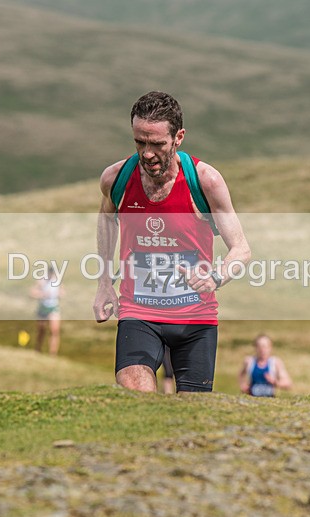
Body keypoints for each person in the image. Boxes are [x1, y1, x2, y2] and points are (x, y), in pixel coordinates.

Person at [93, 91, 251, 393]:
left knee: (192, 411)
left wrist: (215, 277)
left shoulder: (205, 181)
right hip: (138, 311)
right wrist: (104, 283)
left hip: (195, 317)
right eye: (140, 142)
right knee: (134, 391)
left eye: (157, 144)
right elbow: (106, 219)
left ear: (178, 137)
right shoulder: (116, 179)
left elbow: (241, 249)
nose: (147, 154)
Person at [30, 271, 64, 355]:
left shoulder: (57, 281)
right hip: (43, 308)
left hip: (53, 308)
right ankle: (38, 350)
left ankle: (53, 354)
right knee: (41, 330)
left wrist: (58, 294)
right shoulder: (42, 281)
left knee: (54, 330)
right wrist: (42, 294)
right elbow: (32, 293)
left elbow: (62, 293)